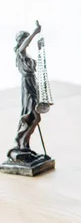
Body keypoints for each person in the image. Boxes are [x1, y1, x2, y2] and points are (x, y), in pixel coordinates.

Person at [8, 20, 43, 162]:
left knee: (35, 118)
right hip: (27, 86)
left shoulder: (26, 55)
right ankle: (21, 141)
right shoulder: (20, 52)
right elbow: (24, 46)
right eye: (25, 39)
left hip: (32, 84)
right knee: (34, 116)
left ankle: (25, 143)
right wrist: (35, 32)